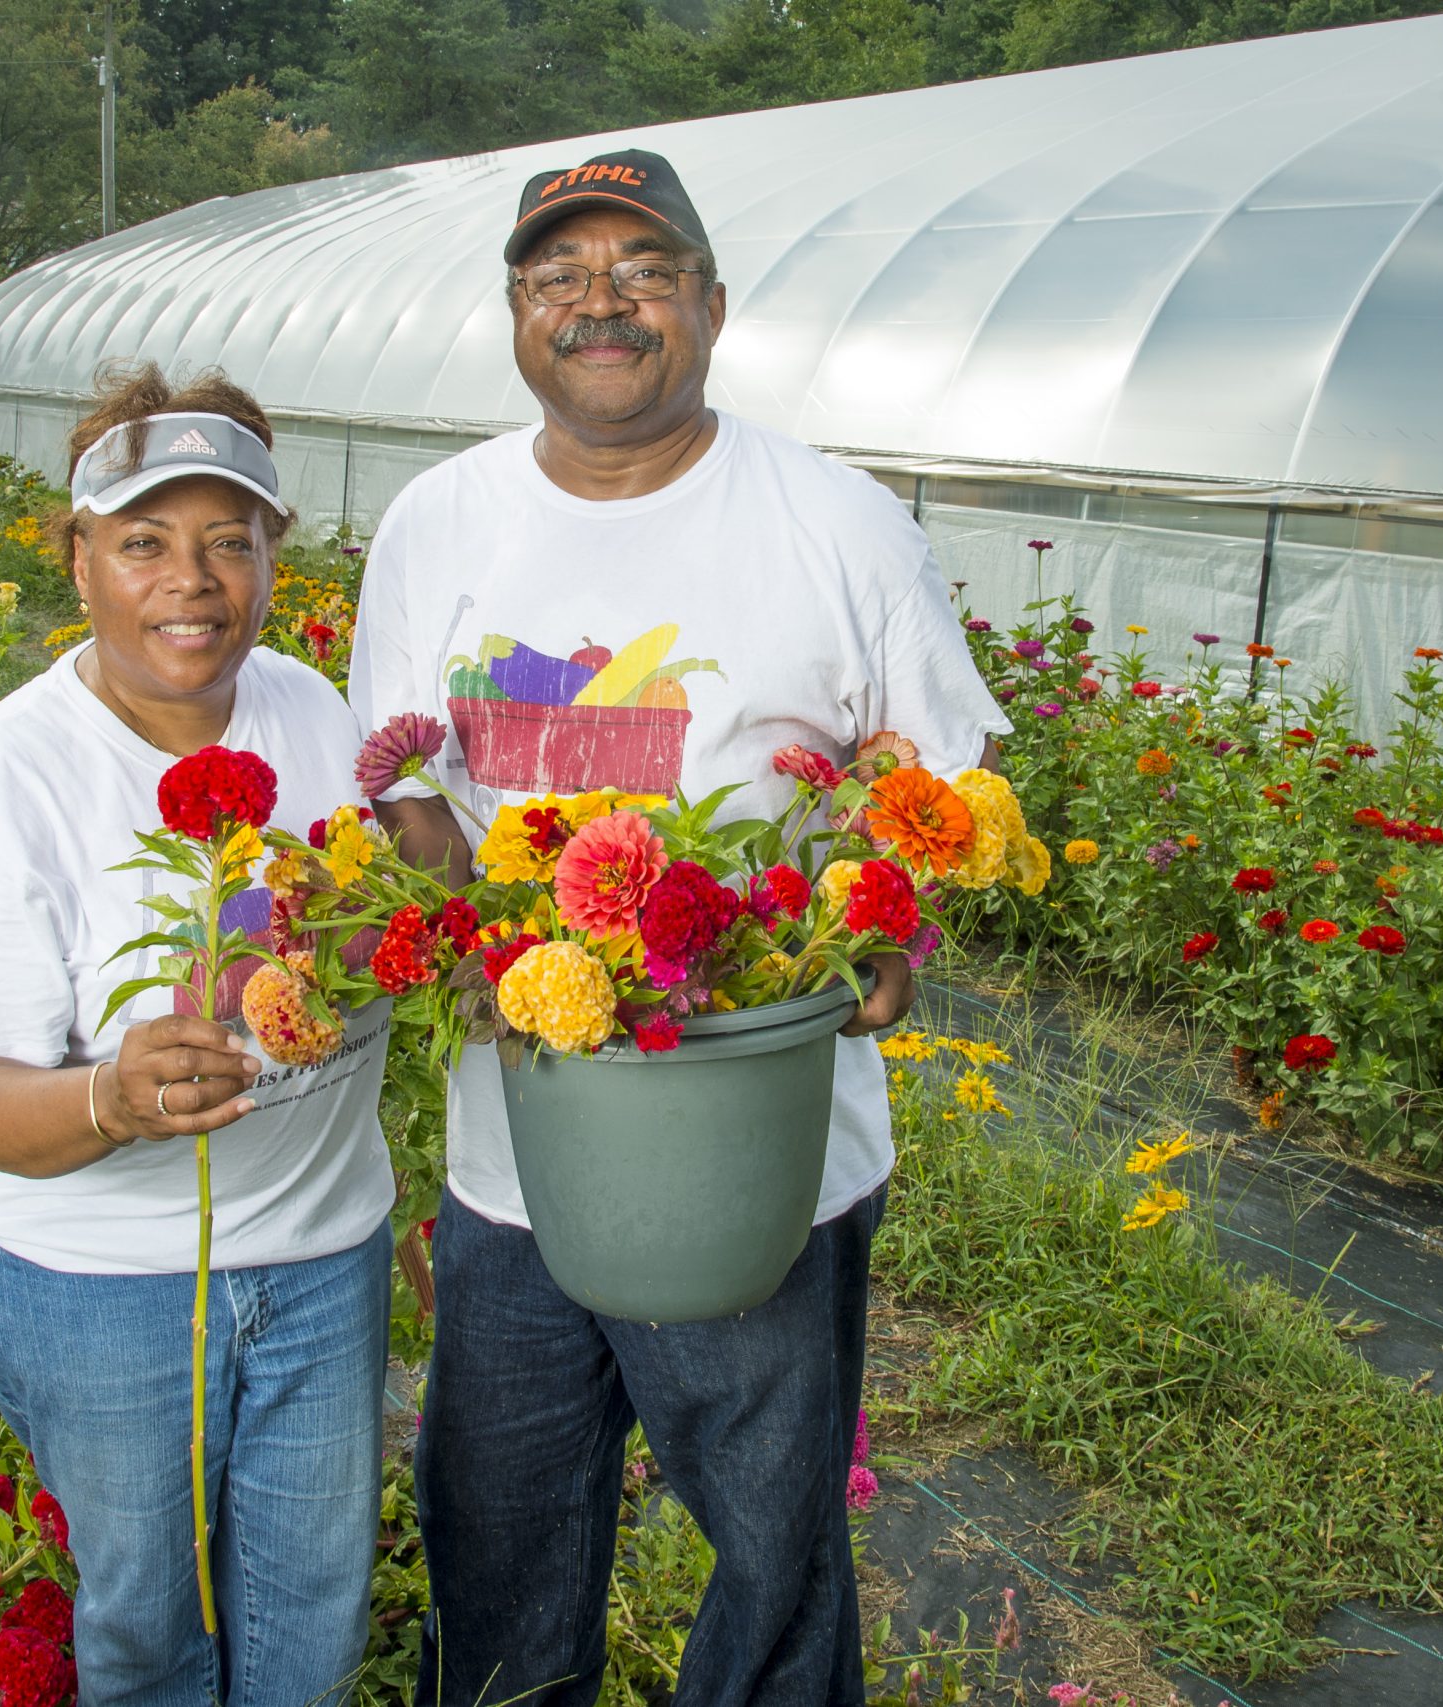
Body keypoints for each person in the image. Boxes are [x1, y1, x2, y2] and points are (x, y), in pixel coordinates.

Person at [348, 149, 1009, 1702]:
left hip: (761, 1158)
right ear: (515, 314)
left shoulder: (836, 524)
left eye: (640, 270)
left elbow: (947, 779)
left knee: (774, 1555)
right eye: (558, 276)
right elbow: (406, 786)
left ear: (710, 305)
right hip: (520, 1159)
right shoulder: (441, 523)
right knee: (496, 1541)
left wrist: (884, 930)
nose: (600, 304)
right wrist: (476, 941)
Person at [0, 363, 394, 1704]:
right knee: (142, 1633)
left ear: (272, 563)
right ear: (79, 562)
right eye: (145, 542)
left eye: (230, 541)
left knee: (313, 1610)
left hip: (323, 1256)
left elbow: (393, 910)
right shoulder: (2, 784)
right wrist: (110, 1099)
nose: (194, 579)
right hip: (105, 1289)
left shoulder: (315, 715)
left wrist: (373, 944)